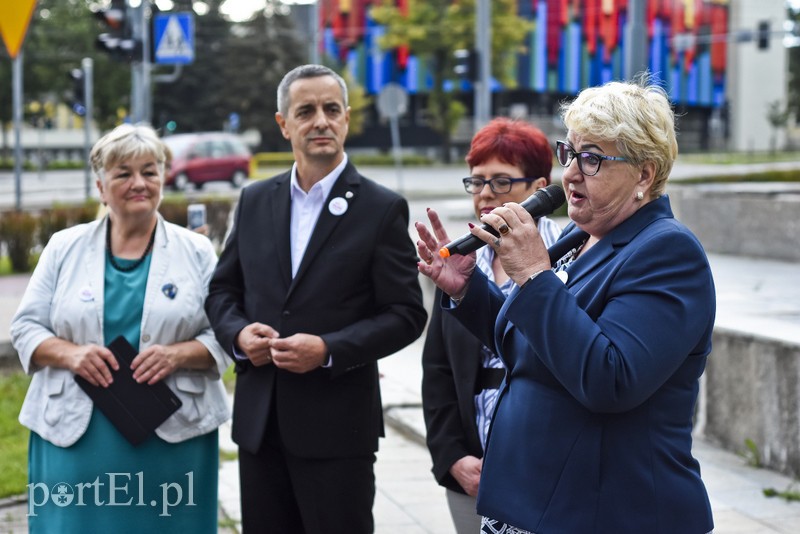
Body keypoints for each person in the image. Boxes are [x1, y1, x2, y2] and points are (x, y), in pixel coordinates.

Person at [415, 76, 716, 533]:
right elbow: (533, 343)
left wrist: (533, 274)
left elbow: (609, 379)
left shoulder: (668, 252)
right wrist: (468, 290)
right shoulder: (583, 235)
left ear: (644, 173)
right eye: (570, 153)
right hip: (535, 502)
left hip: (607, 512)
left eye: (592, 159)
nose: (571, 173)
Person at [204, 64, 427, 533]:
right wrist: (239, 335)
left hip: (337, 430)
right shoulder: (253, 200)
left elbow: (406, 314)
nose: (320, 121)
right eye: (305, 111)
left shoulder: (381, 208)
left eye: (331, 109)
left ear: (346, 119)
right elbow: (223, 291)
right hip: (260, 426)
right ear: (284, 123)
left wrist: (328, 350)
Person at [11, 124, 230, 533]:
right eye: (123, 173)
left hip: (172, 436)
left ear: (164, 177)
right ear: (100, 185)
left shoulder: (196, 251)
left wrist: (176, 355)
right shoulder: (63, 247)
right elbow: (25, 329)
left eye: (150, 171)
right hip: (75, 434)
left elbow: (225, 334)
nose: (139, 183)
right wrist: (71, 353)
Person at [421, 118, 561, 533]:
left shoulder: (568, 257)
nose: (485, 194)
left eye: (501, 182)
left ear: (538, 187)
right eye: (477, 181)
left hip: (543, 469)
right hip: (472, 466)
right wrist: (451, 457)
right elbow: (438, 369)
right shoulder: (461, 262)